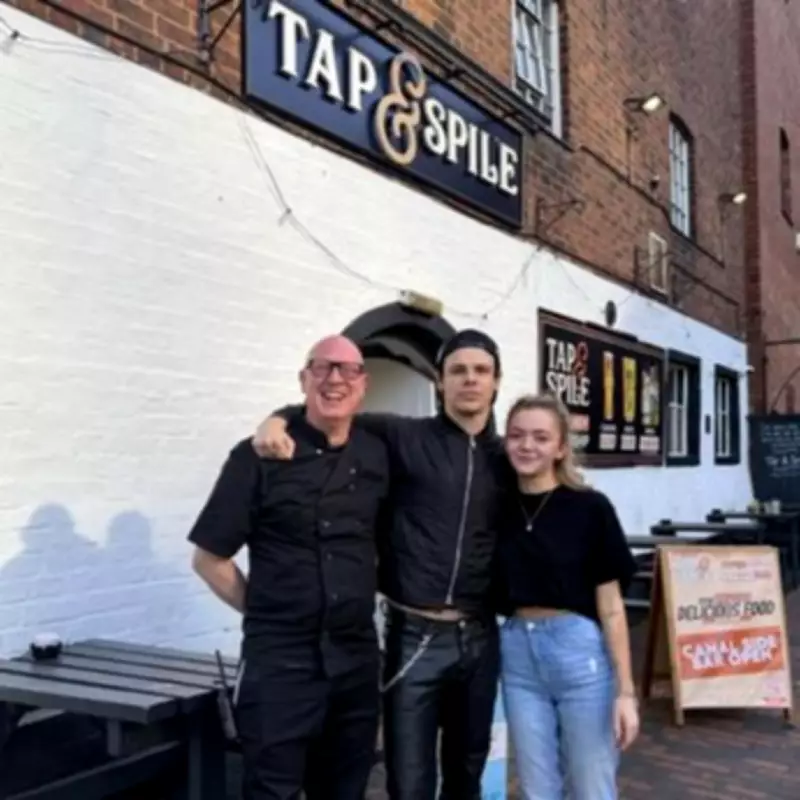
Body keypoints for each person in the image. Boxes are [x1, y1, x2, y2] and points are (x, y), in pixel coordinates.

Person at [254, 329, 507, 800]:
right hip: (414, 637)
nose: (470, 380)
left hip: (480, 637)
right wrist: (278, 418)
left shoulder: (508, 456)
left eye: (481, 371)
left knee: (467, 775)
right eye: (458, 371)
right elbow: (332, 410)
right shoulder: (403, 435)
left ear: (496, 381)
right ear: (440, 381)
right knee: (408, 781)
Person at [188, 335, 390, 800]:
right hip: (281, 663)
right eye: (322, 368)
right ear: (303, 379)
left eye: (347, 370)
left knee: (345, 790)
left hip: (355, 659)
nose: (335, 379)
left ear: (364, 384)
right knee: (271, 791)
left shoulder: (377, 453)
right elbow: (209, 559)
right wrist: (265, 611)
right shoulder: (257, 455)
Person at [493, 393, 640, 800]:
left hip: (579, 655)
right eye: (517, 435)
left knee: (592, 785)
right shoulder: (496, 507)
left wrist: (626, 692)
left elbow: (612, 608)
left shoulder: (590, 508)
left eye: (541, 437)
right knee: (537, 788)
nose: (527, 445)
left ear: (560, 448)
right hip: (518, 658)